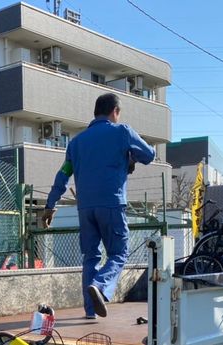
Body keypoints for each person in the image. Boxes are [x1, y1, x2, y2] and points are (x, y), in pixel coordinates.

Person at [43, 92, 155, 319]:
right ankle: (101, 285)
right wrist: (131, 156)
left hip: (85, 209)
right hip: (112, 204)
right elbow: (150, 155)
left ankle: (91, 311)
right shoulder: (122, 132)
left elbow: (63, 174)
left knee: (91, 257)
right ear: (115, 111)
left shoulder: (75, 143)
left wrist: (49, 205)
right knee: (119, 252)